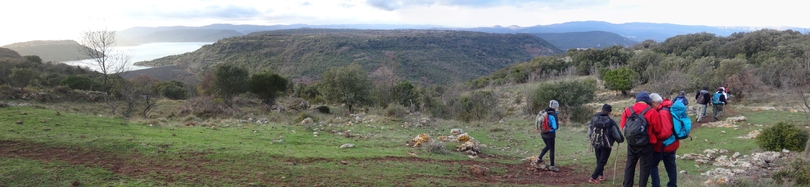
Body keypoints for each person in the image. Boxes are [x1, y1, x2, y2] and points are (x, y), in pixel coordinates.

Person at [621, 92, 669, 187]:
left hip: (632, 143)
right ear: (648, 101)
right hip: (647, 144)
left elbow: (623, 126)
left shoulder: (628, 110)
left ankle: (627, 185)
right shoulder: (652, 111)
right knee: (645, 167)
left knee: (630, 165)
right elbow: (658, 129)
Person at [587, 104, 624, 184]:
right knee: (602, 161)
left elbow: (590, 130)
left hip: (596, 142)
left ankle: (601, 175)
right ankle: (593, 177)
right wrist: (620, 140)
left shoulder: (594, 119)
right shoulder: (611, 122)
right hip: (606, 145)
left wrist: (592, 138)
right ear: (609, 112)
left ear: (602, 110)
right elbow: (616, 133)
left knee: (599, 159)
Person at [649, 93, 678, 187]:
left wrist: (655, 137)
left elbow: (666, 132)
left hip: (664, 145)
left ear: (654, 102)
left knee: (652, 165)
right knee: (671, 166)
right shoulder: (669, 106)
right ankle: (672, 185)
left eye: (650, 104)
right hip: (673, 143)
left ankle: (656, 185)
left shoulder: (662, 112)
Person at [536, 100, 560, 172]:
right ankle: (552, 166)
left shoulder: (544, 112)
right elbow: (555, 127)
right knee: (551, 149)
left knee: (548, 146)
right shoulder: (553, 115)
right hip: (550, 134)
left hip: (543, 133)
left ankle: (539, 159)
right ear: (555, 107)